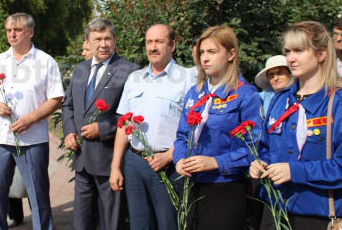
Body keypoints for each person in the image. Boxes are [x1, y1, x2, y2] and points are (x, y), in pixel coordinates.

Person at [250, 21, 342, 230]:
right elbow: (265, 148)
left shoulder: (337, 102)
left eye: (299, 50)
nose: (290, 58)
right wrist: (259, 164)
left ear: (321, 54)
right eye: (288, 51)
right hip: (275, 210)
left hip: (317, 215)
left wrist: (294, 171)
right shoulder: (280, 100)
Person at [0, 13, 64, 230]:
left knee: (38, 195)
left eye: (17, 30)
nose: (12, 34)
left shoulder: (45, 62)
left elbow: (56, 98)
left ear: (30, 32)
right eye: (9, 30)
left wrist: (31, 118)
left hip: (32, 140)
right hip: (0, 139)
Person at [173, 26, 262, 230]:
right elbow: (181, 136)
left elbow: (256, 149)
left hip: (225, 188)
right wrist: (179, 160)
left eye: (212, 52)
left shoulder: (246, 95)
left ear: (231, 54)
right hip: (191, 186)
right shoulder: (194, 94)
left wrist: (215, 162)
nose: (205, 58)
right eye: (202, 52)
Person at [110, 24, 195, 230]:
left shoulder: (188, 78)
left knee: (169, 224)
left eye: (159, 41)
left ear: (172, 45)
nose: (153, 47)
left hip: (168, 164)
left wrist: (169, 156)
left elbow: (195, 127)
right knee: (139, 224)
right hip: (134, 162)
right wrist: (115, 167)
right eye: (149, 42)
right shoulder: (135, 79)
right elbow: (123, 125)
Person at [62, 17, 138, 230]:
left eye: (108, 39)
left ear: (115, 41)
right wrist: (69, 133)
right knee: (82, 221)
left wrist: (103, 128)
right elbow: (68, 106)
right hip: (81, 159)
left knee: (110, 222)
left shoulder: (129, 71)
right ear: (88, 42)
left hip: (109, 160)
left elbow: (131, 116)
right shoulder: (79, 70)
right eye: (97, 39)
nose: (103, 44)